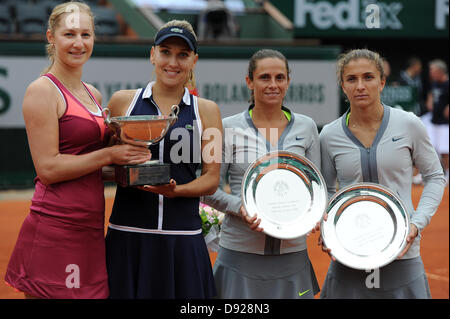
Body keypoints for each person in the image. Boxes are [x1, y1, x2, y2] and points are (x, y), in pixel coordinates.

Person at [4, 2, 150, 299]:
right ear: (51, 37)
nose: (79, 43)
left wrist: (131, 161)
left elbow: (91, 167)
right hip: (55, 226)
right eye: (69, 34)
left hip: (90, 227)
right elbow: (48, 169)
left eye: (86, 34)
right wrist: (109, 155)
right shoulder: (41, 91)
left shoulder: (93, 93)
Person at [105, 20, 222, 299]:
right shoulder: (123, 102)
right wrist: (123, 169)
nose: (173, 62)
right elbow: (103, 166)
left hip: (183, 239)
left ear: (194, 60)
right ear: (152, 55)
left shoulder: (207, 111)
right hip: (128, 234)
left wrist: (175, 191)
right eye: (165, 52)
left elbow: (211, 179)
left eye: (182, 55)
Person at [319, 49, 446, 298]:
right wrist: (327, 229)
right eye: (351, 79)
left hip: (403, 253)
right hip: (348, 253)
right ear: (342, 86)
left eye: (368, 77)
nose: (360, 86)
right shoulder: (329, 135)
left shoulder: (409, 124)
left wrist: (416, 224)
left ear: (382, 81)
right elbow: (325, 189)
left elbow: (434, 176)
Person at [202, 49, 321, 299]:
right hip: (239, 254)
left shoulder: (307, 127)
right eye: (264, 77)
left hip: (292, 256)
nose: (273, 84)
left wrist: (315, 213)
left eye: (280, 77)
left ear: (288, 81)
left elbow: (317, 188)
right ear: (249, 81)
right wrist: (240, 207)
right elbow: (208, 187)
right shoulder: (226, 127)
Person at [426, 60, 449, 185]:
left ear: (440, 71)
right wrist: (429, 100)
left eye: (432, 70)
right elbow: (431, 94)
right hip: (434, 121)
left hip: (445, 123)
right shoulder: (434, 83)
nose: (430, 73)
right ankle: (435, 175)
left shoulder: (447, 83)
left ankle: (448, 174)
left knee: (445, 150)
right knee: (431, 149)